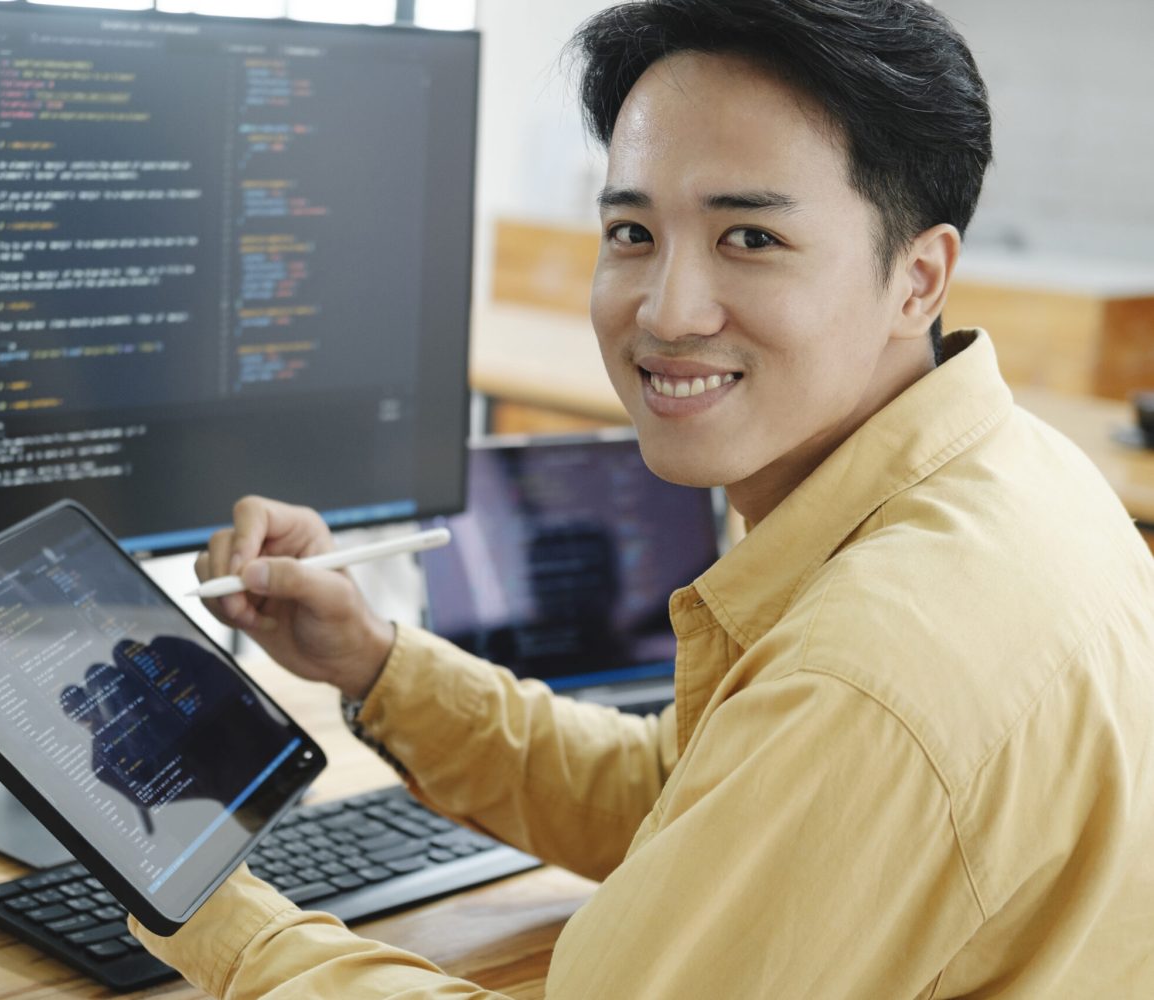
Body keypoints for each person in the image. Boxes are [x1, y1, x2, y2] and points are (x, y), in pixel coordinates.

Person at [129, 0, 1154, 995]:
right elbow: (692, 799)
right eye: (631, 231)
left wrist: (212, 909)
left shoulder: (872, 676)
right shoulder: (1021, 467)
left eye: (749, 237)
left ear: (919, 279)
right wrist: (376, 661)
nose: (665, 310)